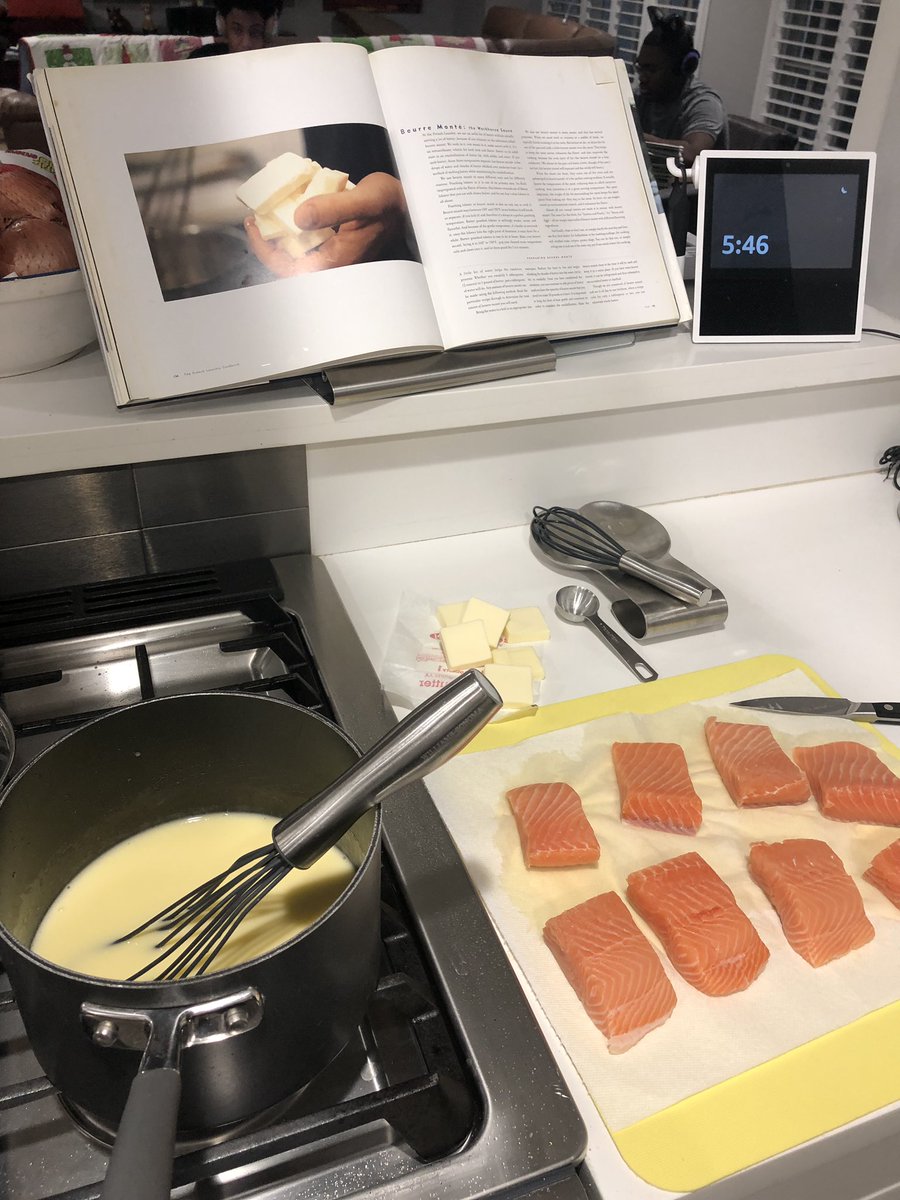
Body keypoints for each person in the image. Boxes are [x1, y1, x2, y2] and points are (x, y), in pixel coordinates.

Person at [634, 7, 727, 170]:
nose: (642, 77)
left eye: (651, 70)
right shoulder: (643, 95)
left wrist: (632, 137)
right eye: (640, 68)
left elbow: (693, 154)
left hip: (691, 192)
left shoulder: (704, 103)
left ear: (684, 68)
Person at [188, 0, 282, 57]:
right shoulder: (201, 60)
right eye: (237, 30)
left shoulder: (276, 68)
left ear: (267, 32)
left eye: (255, 32)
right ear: (223, 27)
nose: (246, 44)